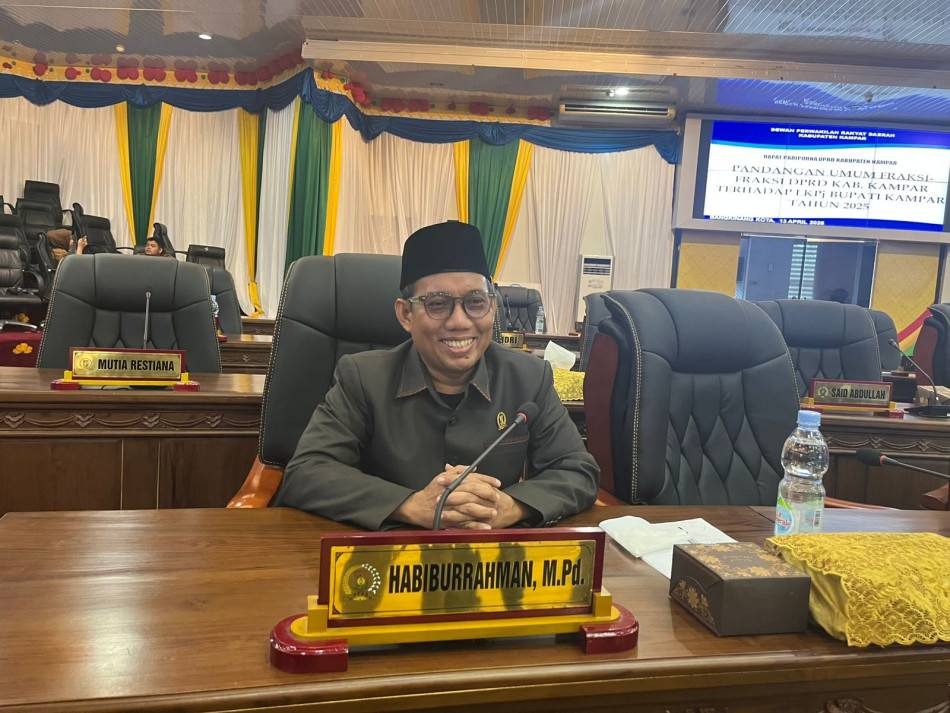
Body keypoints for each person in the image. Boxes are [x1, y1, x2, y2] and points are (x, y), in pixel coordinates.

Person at [274, 221, 599, 530]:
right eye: (438, 304)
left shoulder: (529, 377)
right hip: (387, 555)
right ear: (405, 314)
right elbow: (307, 472)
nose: (459, 322)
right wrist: (412, 505)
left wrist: (509, 507)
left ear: (492, 307)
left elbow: (578, 471)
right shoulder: (363, 377)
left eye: (475, 302)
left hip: (491, 555)